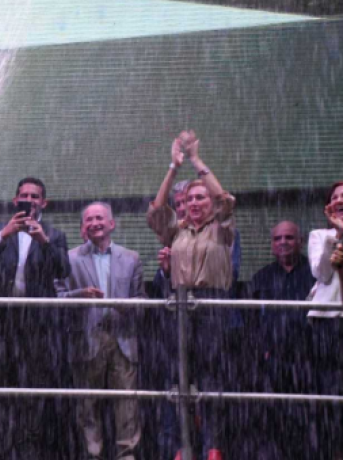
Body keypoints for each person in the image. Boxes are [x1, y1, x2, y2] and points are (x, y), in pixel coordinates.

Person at [147, 130, 236, 460]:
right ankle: (180, 447)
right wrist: (173, 167)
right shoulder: (178, 230)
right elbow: (157, 211)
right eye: (191, 199)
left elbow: (226, 200)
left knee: (212, 378)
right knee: (179, 378)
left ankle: (214, 446)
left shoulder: (222, 227)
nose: (196, 203)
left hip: (213, 305)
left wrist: (197, 161)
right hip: (180, 306)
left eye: (202, 198)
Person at [0, 176, 71, 458]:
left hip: (37, 326)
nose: (28, 200)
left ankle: (31, 448)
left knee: (34, 387)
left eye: (34, 196)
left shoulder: (54, 236)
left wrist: (42, 240)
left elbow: (63, 270)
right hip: (0, 325)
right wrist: (3, 234)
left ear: (44, 203)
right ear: (16, 199)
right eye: (24, 195)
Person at [57, 202, 144, 460]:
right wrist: (80, 295)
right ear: (83, 226)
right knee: (87, 407)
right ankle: (91, 456)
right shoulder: (70, 258)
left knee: (127, 406)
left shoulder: (131, 258)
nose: (94, 223)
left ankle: (127, 456)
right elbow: (57, 298)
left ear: (111, 224)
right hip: (86, 340)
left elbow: (142, 301)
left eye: (99, 218)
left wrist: (124, 305)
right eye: (89, 219)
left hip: (123, 340)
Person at [240, 221, 315, 458]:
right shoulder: (261, 278)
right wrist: (259, 351)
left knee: (310, 421)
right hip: (271, 363)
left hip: (310, 362)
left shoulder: (315, 274)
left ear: (300, 242)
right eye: (277, 239)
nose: (283, 242)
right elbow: (249, 322)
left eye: (289, 238)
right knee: (271, 423)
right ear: (271, 245)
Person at [306, 181, 343, 460]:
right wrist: (336, 234)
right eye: (335, 197)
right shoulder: (320, 235)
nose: (340, 199)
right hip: (327, 320)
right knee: (328, 389)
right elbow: (322, 274)